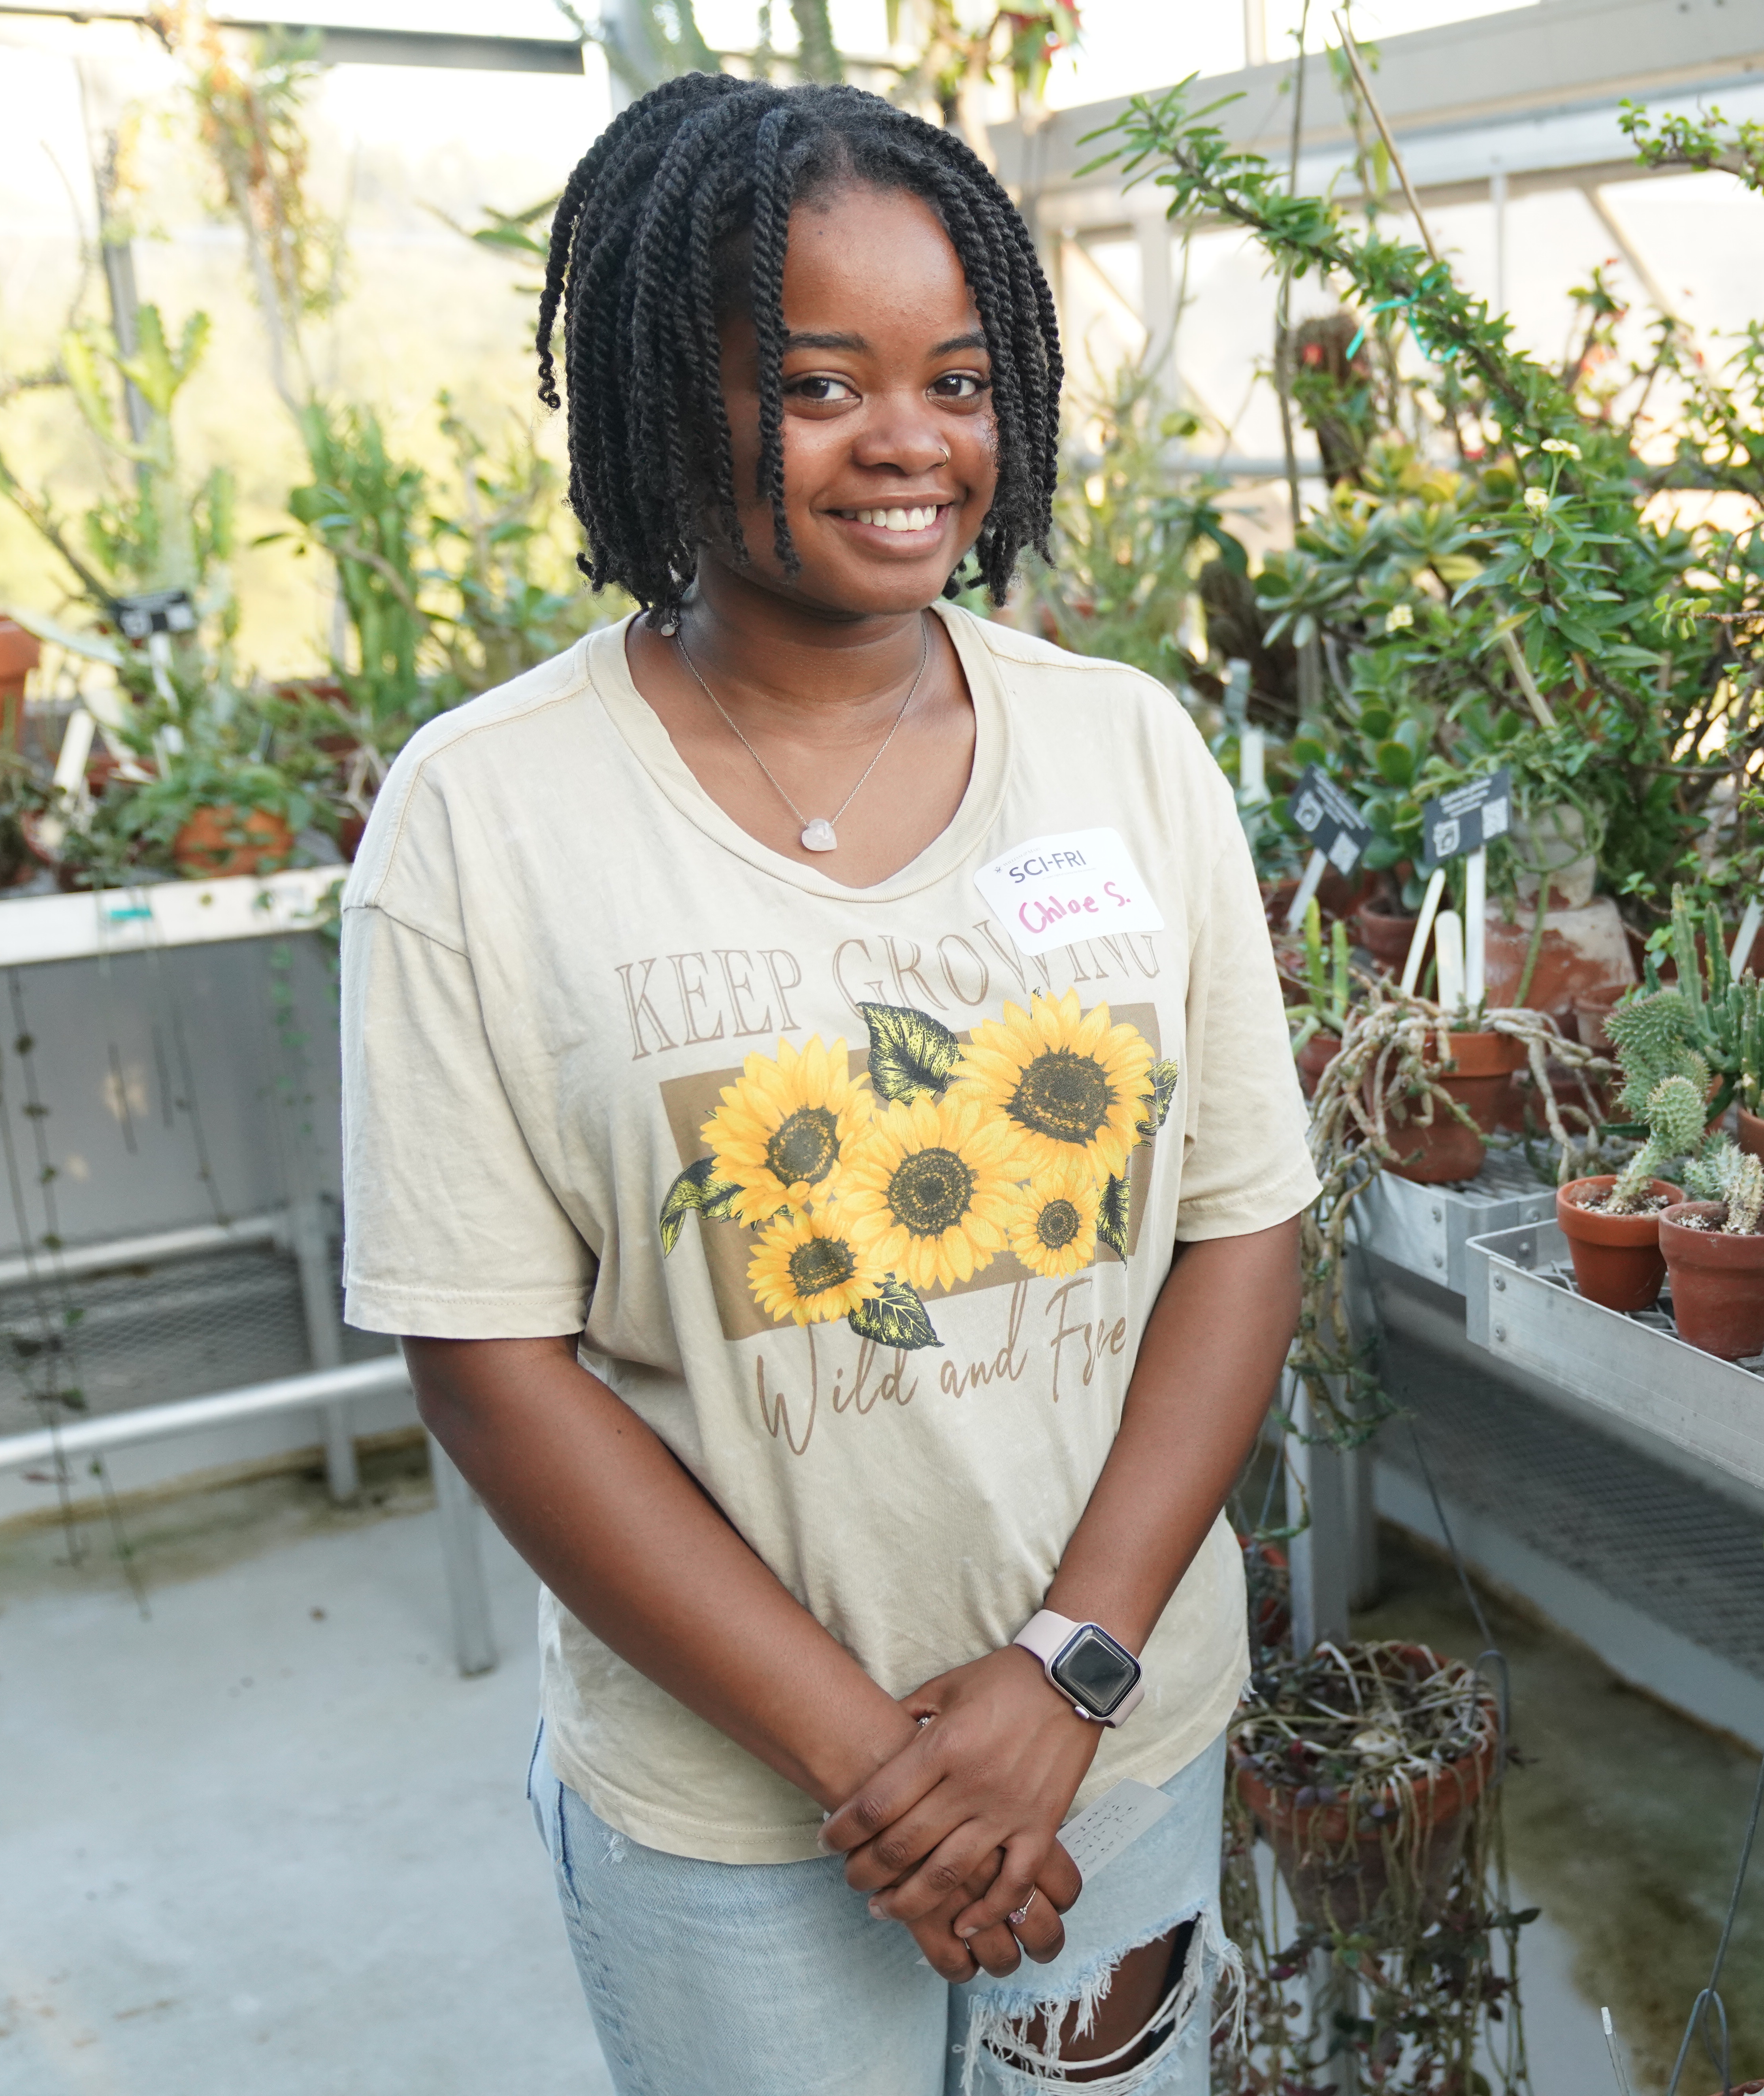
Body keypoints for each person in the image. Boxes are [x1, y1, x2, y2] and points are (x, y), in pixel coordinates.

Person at [336, 73, 1310, 2095]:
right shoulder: (484, 818)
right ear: (661, 395)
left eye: (958, 379)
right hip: (737, 1814)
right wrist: (879, 1765)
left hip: (1112, 1748)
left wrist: (1069, 1672)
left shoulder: (1126, 751)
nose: (909, 444)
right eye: (815, 382)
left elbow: (1239, 1221)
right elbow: (487, 1356)